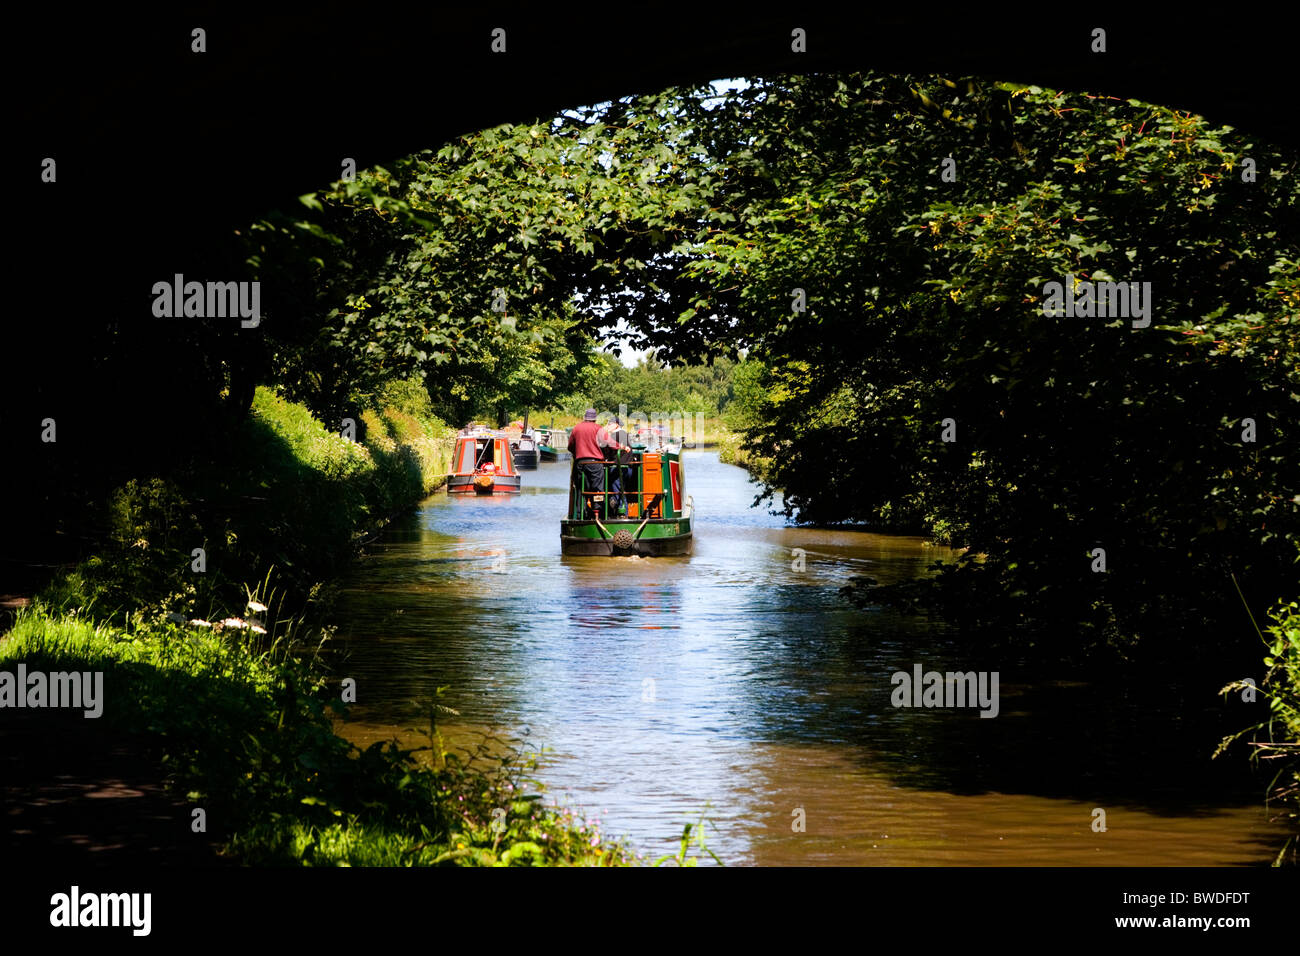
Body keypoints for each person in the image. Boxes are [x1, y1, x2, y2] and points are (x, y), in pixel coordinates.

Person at [568, 409, 609, 519]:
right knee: (598, 489)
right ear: (595, 418)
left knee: (581, 488)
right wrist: (622, 447)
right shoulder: (598, 428)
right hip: (595, 463)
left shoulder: (576, 428)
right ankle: (597, 513)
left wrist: (577, 453)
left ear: (584, 417)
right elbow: (608, 443)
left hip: (580, 463)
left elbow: (570, 446)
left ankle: (580, 513)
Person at [601, 416, 634, 515]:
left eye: (610, 424)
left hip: (617, 468)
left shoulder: (613, 436)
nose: (608, 426)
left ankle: (621, 512)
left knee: (617, 492)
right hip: (628, 469)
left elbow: (607, 451)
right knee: (621, 491)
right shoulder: (626, 435)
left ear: (616, 425)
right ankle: (620, 510)